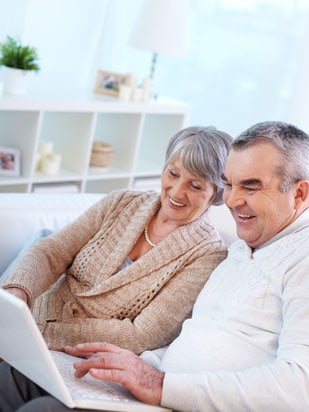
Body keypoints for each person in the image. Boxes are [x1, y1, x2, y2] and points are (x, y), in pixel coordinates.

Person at [2, 121, 309, 412]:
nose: (234, 201)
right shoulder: (245, 251)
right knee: (13, 380)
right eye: (232, 185)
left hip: (177, 398)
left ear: (298, 193)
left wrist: (159, 383)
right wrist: (139, 366)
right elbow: (189, 338)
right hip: (159, 389)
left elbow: (307, 388)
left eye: (250, 187)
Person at [0, 125, 232, 357]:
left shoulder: (207, 255)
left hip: (74, 352)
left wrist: (42, 332)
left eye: (195, 185)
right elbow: (51, 251)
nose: (177, 192)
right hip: (30, 313)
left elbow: (142, 334)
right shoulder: (122, 202)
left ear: (217, 193)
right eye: (173, 174)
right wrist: (16, 296)